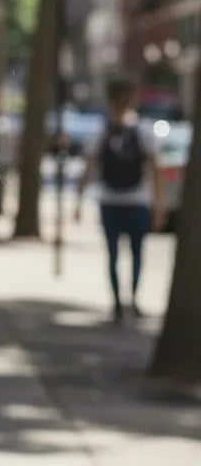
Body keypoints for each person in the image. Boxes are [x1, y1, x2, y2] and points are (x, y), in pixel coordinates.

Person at [75, 77, 166, 322]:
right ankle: (133, 301)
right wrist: (159, 205)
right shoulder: (145, 130)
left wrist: (79, 201)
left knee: (113, 255)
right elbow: (157, 170)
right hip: (138, 201)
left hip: (110, 201)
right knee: (137, 254)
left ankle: (117, 303)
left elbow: (88, 168)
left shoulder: (101, 131)